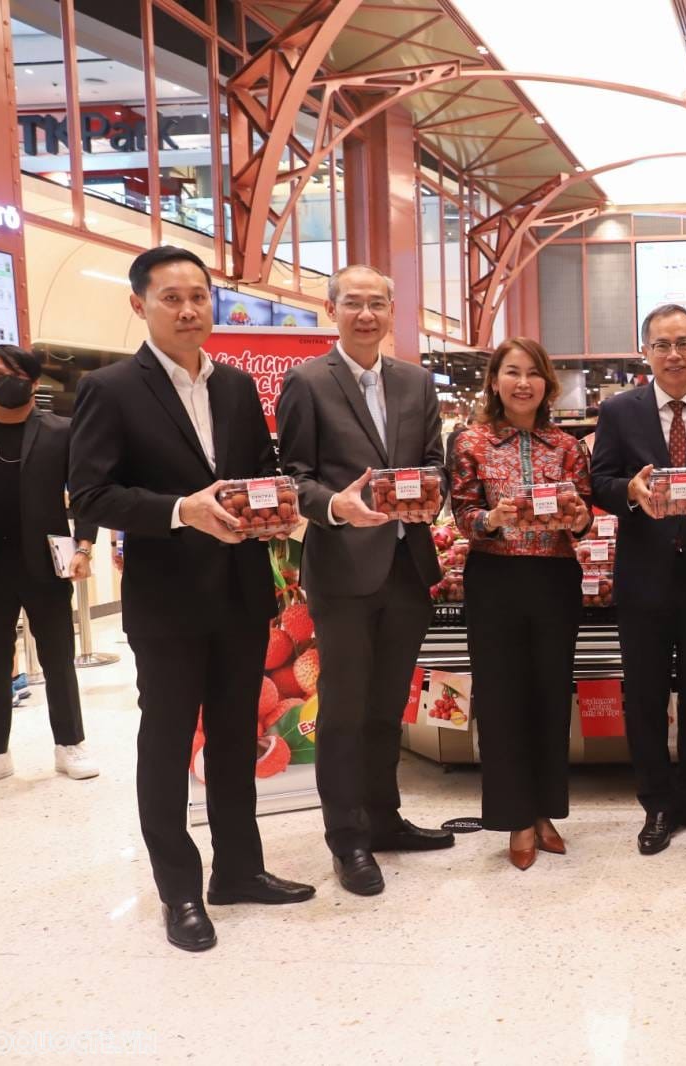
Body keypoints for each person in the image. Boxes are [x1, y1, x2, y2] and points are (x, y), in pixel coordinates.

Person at [70, 246, 314, 952]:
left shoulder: (237, 386)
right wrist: (182, 509)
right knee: (169, 740)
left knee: (238, 736)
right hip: (168, 601)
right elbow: (91, 493)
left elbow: (259, 474)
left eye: (199, 296)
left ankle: (239, 870)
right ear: (139, 304)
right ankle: (179, 888)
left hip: (241, 595)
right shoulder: (111, 389)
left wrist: (280, 504)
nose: (187, 310)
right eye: (171, 297)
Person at [276, 264, 453, 897]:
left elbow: (436, 464)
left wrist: (431, 495)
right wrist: (335, 506)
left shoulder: (414, 381)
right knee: (345, 712)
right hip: (344, 570)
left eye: (378, 303)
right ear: (332, 309)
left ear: (391, 310)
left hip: (407, 567)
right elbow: (294, 477)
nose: (366, 314)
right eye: (353, 303)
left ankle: (384, 819)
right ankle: (346, 839)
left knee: (387, 708)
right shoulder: (306, 383)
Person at [590, 303, 686, 855]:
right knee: (645, 695)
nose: (674, 354)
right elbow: (599, 482)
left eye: (683, 342)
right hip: (643, 576)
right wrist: (629, 492)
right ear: (646, 352)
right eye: (662, 344)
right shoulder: (618, 412)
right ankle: (657, 802)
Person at [451, 337, 592, 870]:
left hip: (555, 577)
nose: (523, 382)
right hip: (495, 578)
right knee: (501, 699)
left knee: (550, 698)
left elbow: (584, 518)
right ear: (494, 381)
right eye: (512, 372)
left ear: (547, 384)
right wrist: (492, 519)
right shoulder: (472, 442)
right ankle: (515, 816)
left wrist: (578, 519)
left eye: (534, 373)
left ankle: (545, 811)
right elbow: (462, 510)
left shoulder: (568, 446)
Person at [0, 345, 98, 791]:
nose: (1, 380)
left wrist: (84, 544)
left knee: (58, 659)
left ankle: (70, 744)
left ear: (31, 379)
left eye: (10, 373)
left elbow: (85, 492)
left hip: (46, 563)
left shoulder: (62, 431)